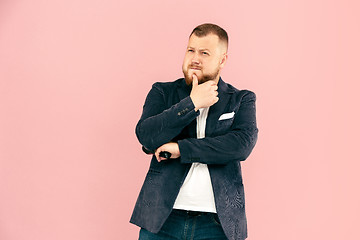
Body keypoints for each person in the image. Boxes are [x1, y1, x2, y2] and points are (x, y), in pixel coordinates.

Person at [130, 23, 258, 240]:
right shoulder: (162, 91)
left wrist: (181, 148)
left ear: (222, 60)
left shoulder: (241, 99)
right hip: (162, 220)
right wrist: (192, 103)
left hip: (218, 224)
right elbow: (147, 136)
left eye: (204, 53)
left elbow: (240, 145)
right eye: (191, 50)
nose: (195, 58)